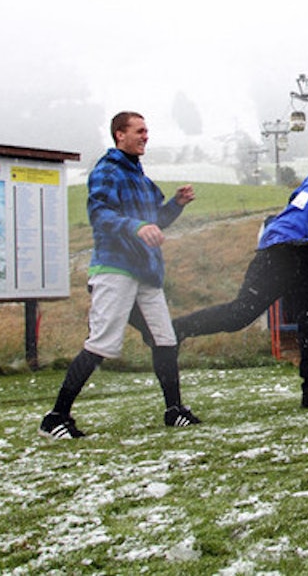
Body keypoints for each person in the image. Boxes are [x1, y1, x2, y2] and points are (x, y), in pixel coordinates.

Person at [172, 129, 308, 408]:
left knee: (241, 313)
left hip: (274, 245)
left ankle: (178, 329)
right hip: (298, 250)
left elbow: (294, 206)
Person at [40, 111, 200, 438]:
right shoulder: (107, 171)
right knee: (102, 344)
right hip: (115, 269)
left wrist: (177, 204)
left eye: (147, 131)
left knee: (165, 339)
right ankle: (56, 418)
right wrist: (137, 227)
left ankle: (174, 411)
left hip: (146, 273)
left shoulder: (140, 178)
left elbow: (156, 220)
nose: (145, 136)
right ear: (119, 135)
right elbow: (100, 215)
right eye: (139, 131)